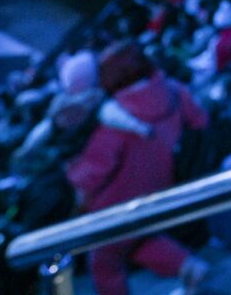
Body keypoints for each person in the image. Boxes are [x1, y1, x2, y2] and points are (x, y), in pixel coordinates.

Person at [67, 43, 210, 295]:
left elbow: (94, 171)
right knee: (137, 240)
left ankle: (186, 267)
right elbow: (200, 120)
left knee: (105, 261)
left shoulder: (115, 117)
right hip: (160, 184)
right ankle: (187, 266)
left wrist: (71, 174)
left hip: (116, 200)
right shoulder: (173, 90)